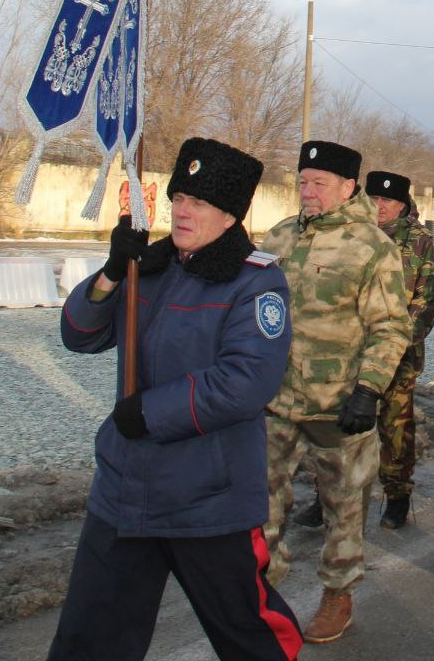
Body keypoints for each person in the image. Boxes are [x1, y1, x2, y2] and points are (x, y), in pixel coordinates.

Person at [48, 138, 302, 661]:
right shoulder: (150, 268)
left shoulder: (256, 283)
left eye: (200, 203)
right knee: (90, 638)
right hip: (124, 487)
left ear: (230, 216)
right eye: (179, 199)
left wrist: (151, 411)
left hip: (208, 495)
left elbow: (247, 381)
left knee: (247, 633)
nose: (183, 212)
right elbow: (79, 334)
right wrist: (114, 271)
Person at [260, 141, 411, 644]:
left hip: (339, 405)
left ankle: (337, 593)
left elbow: (390, 327)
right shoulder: (279, 237)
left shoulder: (372, 247)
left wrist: (368, 391)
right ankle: (262, 589)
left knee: (343, 504)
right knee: (262, 503)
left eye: (319, 183)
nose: (307, 191)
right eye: (302, 181)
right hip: (275, 399)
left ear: (348, 188)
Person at [365, 169, 434, 530]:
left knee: (395, 425)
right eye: (374, 199)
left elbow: (428, 301)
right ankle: (327, 495)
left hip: (399, 353)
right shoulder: (355, 235)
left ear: (402, 204)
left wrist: (396, 342)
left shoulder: (420, 241)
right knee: (339, 425)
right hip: (351, 350)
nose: (379, 207)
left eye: (387, 201)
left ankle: (397, 495)